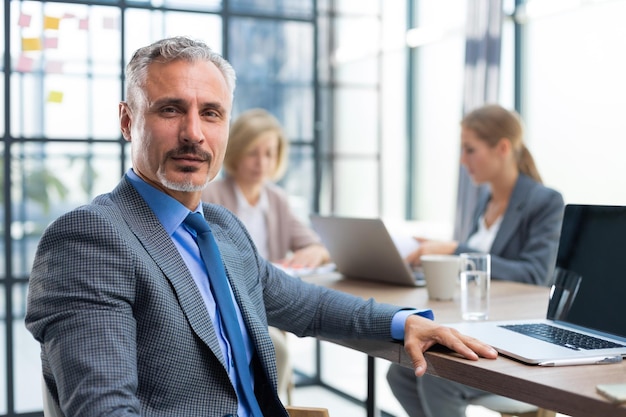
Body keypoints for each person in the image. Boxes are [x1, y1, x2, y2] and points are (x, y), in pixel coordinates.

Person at [24, 36, 497, 417]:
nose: (194, 132)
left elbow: (306, 304)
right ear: (128, 121)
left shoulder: (221, 228)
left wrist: (403, 322)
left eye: (211, 113)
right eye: (170, 109)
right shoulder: (89, 239)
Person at [387, 103, 565, 417]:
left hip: (515, 341)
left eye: (470, 150)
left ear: (503, 148)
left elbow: (536, 274)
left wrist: (456, 249)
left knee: (435, 376)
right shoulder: (485, 198)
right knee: (400, 372)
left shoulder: (545, 200)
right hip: (478, 325)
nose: (462, 160)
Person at [202, 107, 330, 402]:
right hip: (226, 307)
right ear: (236, 152)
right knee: (275, 349)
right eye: (252, 153)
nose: (261, 163)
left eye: (269, 154)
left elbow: (315, 246)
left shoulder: (277, 200)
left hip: (268, 304)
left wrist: (314, 252)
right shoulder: (210, 196)